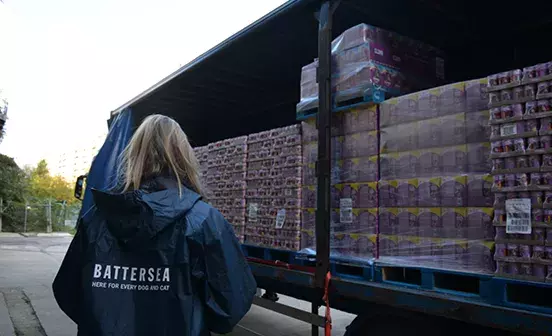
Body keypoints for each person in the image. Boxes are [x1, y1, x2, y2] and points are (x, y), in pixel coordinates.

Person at [53, 114, 257, 336]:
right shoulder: (203, 220)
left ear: (133, 155)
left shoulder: (96, 219)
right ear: (183, 156)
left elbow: (68, 292)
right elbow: (230, 304)